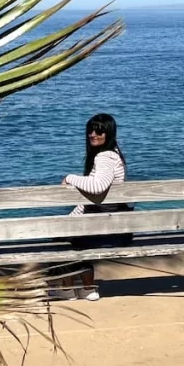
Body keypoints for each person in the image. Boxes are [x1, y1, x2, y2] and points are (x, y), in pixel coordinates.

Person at [55, 113, 130, 301]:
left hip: (105, 229)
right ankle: (86, 288)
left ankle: (69, 288)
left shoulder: (105, 157)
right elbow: (93, 197)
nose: (93, 134)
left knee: (62, 241)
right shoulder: (114, 155)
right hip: (109, 223)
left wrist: (69, 177)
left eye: (99, 130)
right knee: (71, 233)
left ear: (109, 133)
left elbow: (98, 187)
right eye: (90, 130)